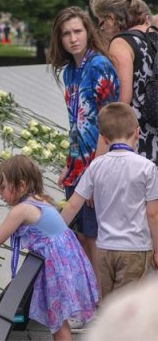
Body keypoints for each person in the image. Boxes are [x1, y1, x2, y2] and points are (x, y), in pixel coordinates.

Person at [0, 156, 99, 341]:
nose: (0, 193)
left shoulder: (21, 210)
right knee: (59, 320)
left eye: (3, 187)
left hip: (56, 269)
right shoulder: (37, 200)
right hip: (67, 262)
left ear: (21, 185)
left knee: (57, 323)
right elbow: (0, 230)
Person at [48, 6, 120, 282]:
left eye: (78, 31)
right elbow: (75, 123)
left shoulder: (99, 65)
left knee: (93, 236)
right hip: (79, 164)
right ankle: (90, 298)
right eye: (66, 33)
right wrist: (70, 165)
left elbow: (108, 124)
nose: (73, 38)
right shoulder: (70, 71)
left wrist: (94, 173)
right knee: (79, 234)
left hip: (98, 162)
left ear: (88, 31)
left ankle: (102, 304)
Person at [60, 102, 158, 300]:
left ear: (103, 138)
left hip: (104, 247)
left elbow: (72, 206)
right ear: (137, 133)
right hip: (136, 248)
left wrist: (52, 233)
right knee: (127, 306)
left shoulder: (96, 166)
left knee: (108, 302)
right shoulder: (147, 168)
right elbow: (153, 214)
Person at [90, 0, 157, 165]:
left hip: (139, 144)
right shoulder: (153, 34)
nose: (102, 29)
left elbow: (121, 103)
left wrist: (98, 164)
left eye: (101, 22)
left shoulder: (121, 43)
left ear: (111, 18)